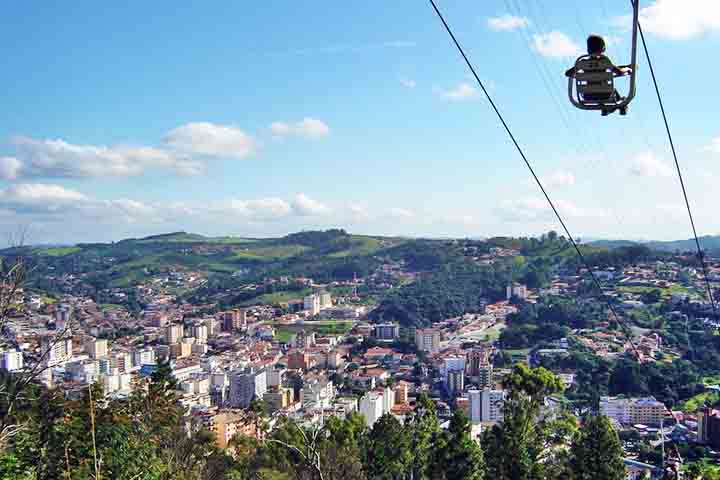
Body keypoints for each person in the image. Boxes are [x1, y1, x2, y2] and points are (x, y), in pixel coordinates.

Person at [566, 35, 633, 116]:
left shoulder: (582, 63)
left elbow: (568, 73)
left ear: (588, 50)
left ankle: (607, 109)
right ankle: (622, 106)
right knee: (614, 92)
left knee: (602, 91)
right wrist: (628, 69)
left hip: (588, 96)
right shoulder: (604, 61)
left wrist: (579, 76)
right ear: (603, 49)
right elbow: (620, 72)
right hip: (605, 95)